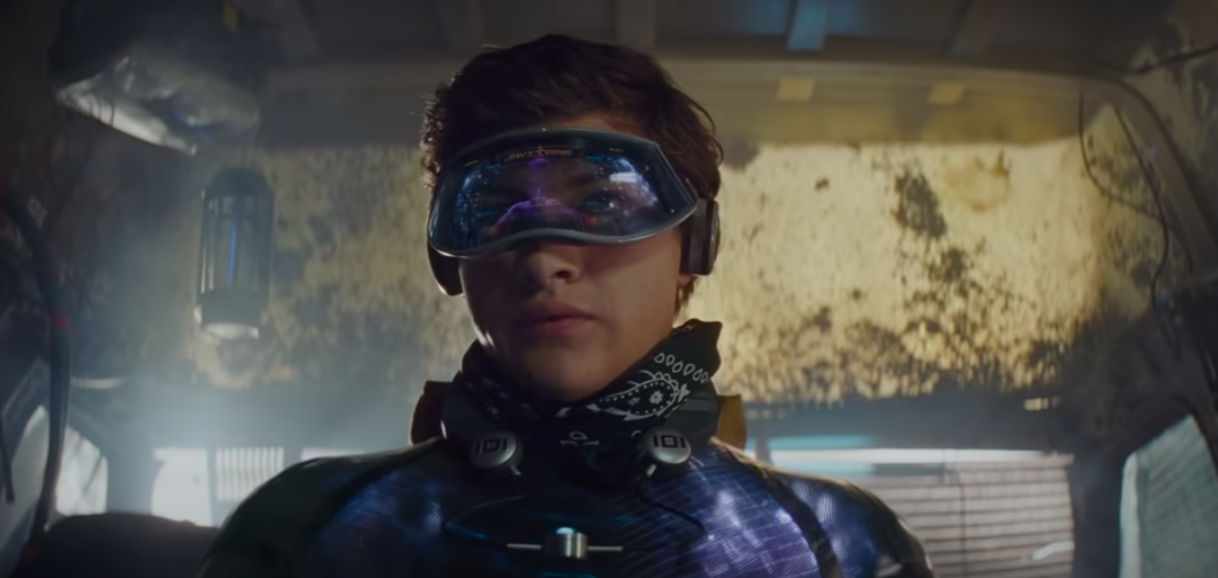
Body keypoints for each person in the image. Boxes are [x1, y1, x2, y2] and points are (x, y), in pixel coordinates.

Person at [196, 35, 934, 578]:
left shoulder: (841, 546)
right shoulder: (304, 532)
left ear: (694, 243)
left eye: (603, 203)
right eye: (494, 211)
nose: (544, 260)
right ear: (450, 259)